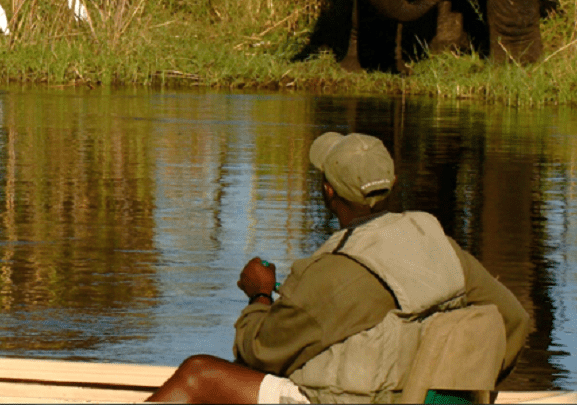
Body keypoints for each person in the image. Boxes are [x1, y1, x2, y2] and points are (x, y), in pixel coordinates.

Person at [149, 131, 530, 404]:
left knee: (198, 373)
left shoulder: (334, 272)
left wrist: (260, 294)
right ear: (393, 183)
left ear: (328, 191)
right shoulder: (442, 248)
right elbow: (513, 320)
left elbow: (259, 352)